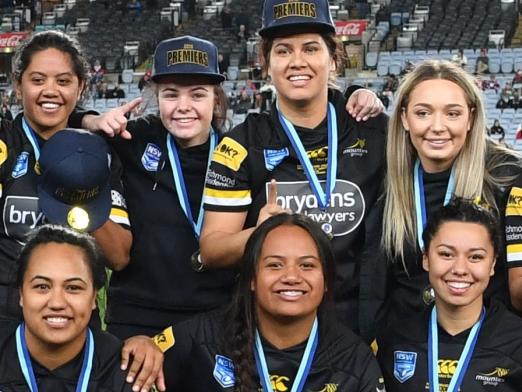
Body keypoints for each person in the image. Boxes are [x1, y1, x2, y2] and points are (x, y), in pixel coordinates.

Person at [79, 28, 383, 340]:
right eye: (170, 94)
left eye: (197, 94)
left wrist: (360, 94)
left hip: (219, 318)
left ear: (217, 98)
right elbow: (57, 121)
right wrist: (89, 119)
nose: (183, 106)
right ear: (156, 97)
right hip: (137, 320)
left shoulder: (238, 152)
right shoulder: (132, 141)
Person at [199, 0, 387, 340]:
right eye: (283, 51)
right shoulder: (240, 145)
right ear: (265, 64)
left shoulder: (374, 132)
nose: (297, 62)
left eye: (311, 49)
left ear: (334, 60)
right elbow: (212, 250)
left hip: (364, 333)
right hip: (275, 333)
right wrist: (261, 231)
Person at [156, 213, 386, 391]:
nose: (292, 277)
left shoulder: (353, 359)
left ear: (326, 281)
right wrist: (142, 345)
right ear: (252, 279)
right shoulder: (201, 339)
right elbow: (135, 367)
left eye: (307, 265)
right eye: (275, 265)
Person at [0, 30, 131, 325]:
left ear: (81, 87)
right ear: (18, 86)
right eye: (37, 80)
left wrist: (82, 197)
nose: (50, 90)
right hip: (6, 320)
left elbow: (119, 256)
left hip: (74, 323)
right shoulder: (4, 145)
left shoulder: (101, 154)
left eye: (63, 81)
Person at [382, 60, 522, 329]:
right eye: (423, 113)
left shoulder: (508, 179)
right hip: (407, 352)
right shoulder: (385, 180)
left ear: (470, 117)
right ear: (403, 118)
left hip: (489, 353)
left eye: (452, 114)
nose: (437, 126)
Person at [377, 199, 522, 391]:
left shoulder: (516, 341)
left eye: (475, 257)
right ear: (426, 259)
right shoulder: (395, 338)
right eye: (446, 254)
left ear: (493, 264)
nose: (460, 269)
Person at [0, 225, 134, 391]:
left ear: (94, 297)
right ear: (21, 294)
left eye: (73, 288)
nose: (57, 303)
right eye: (42, 286)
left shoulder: (124, 370)